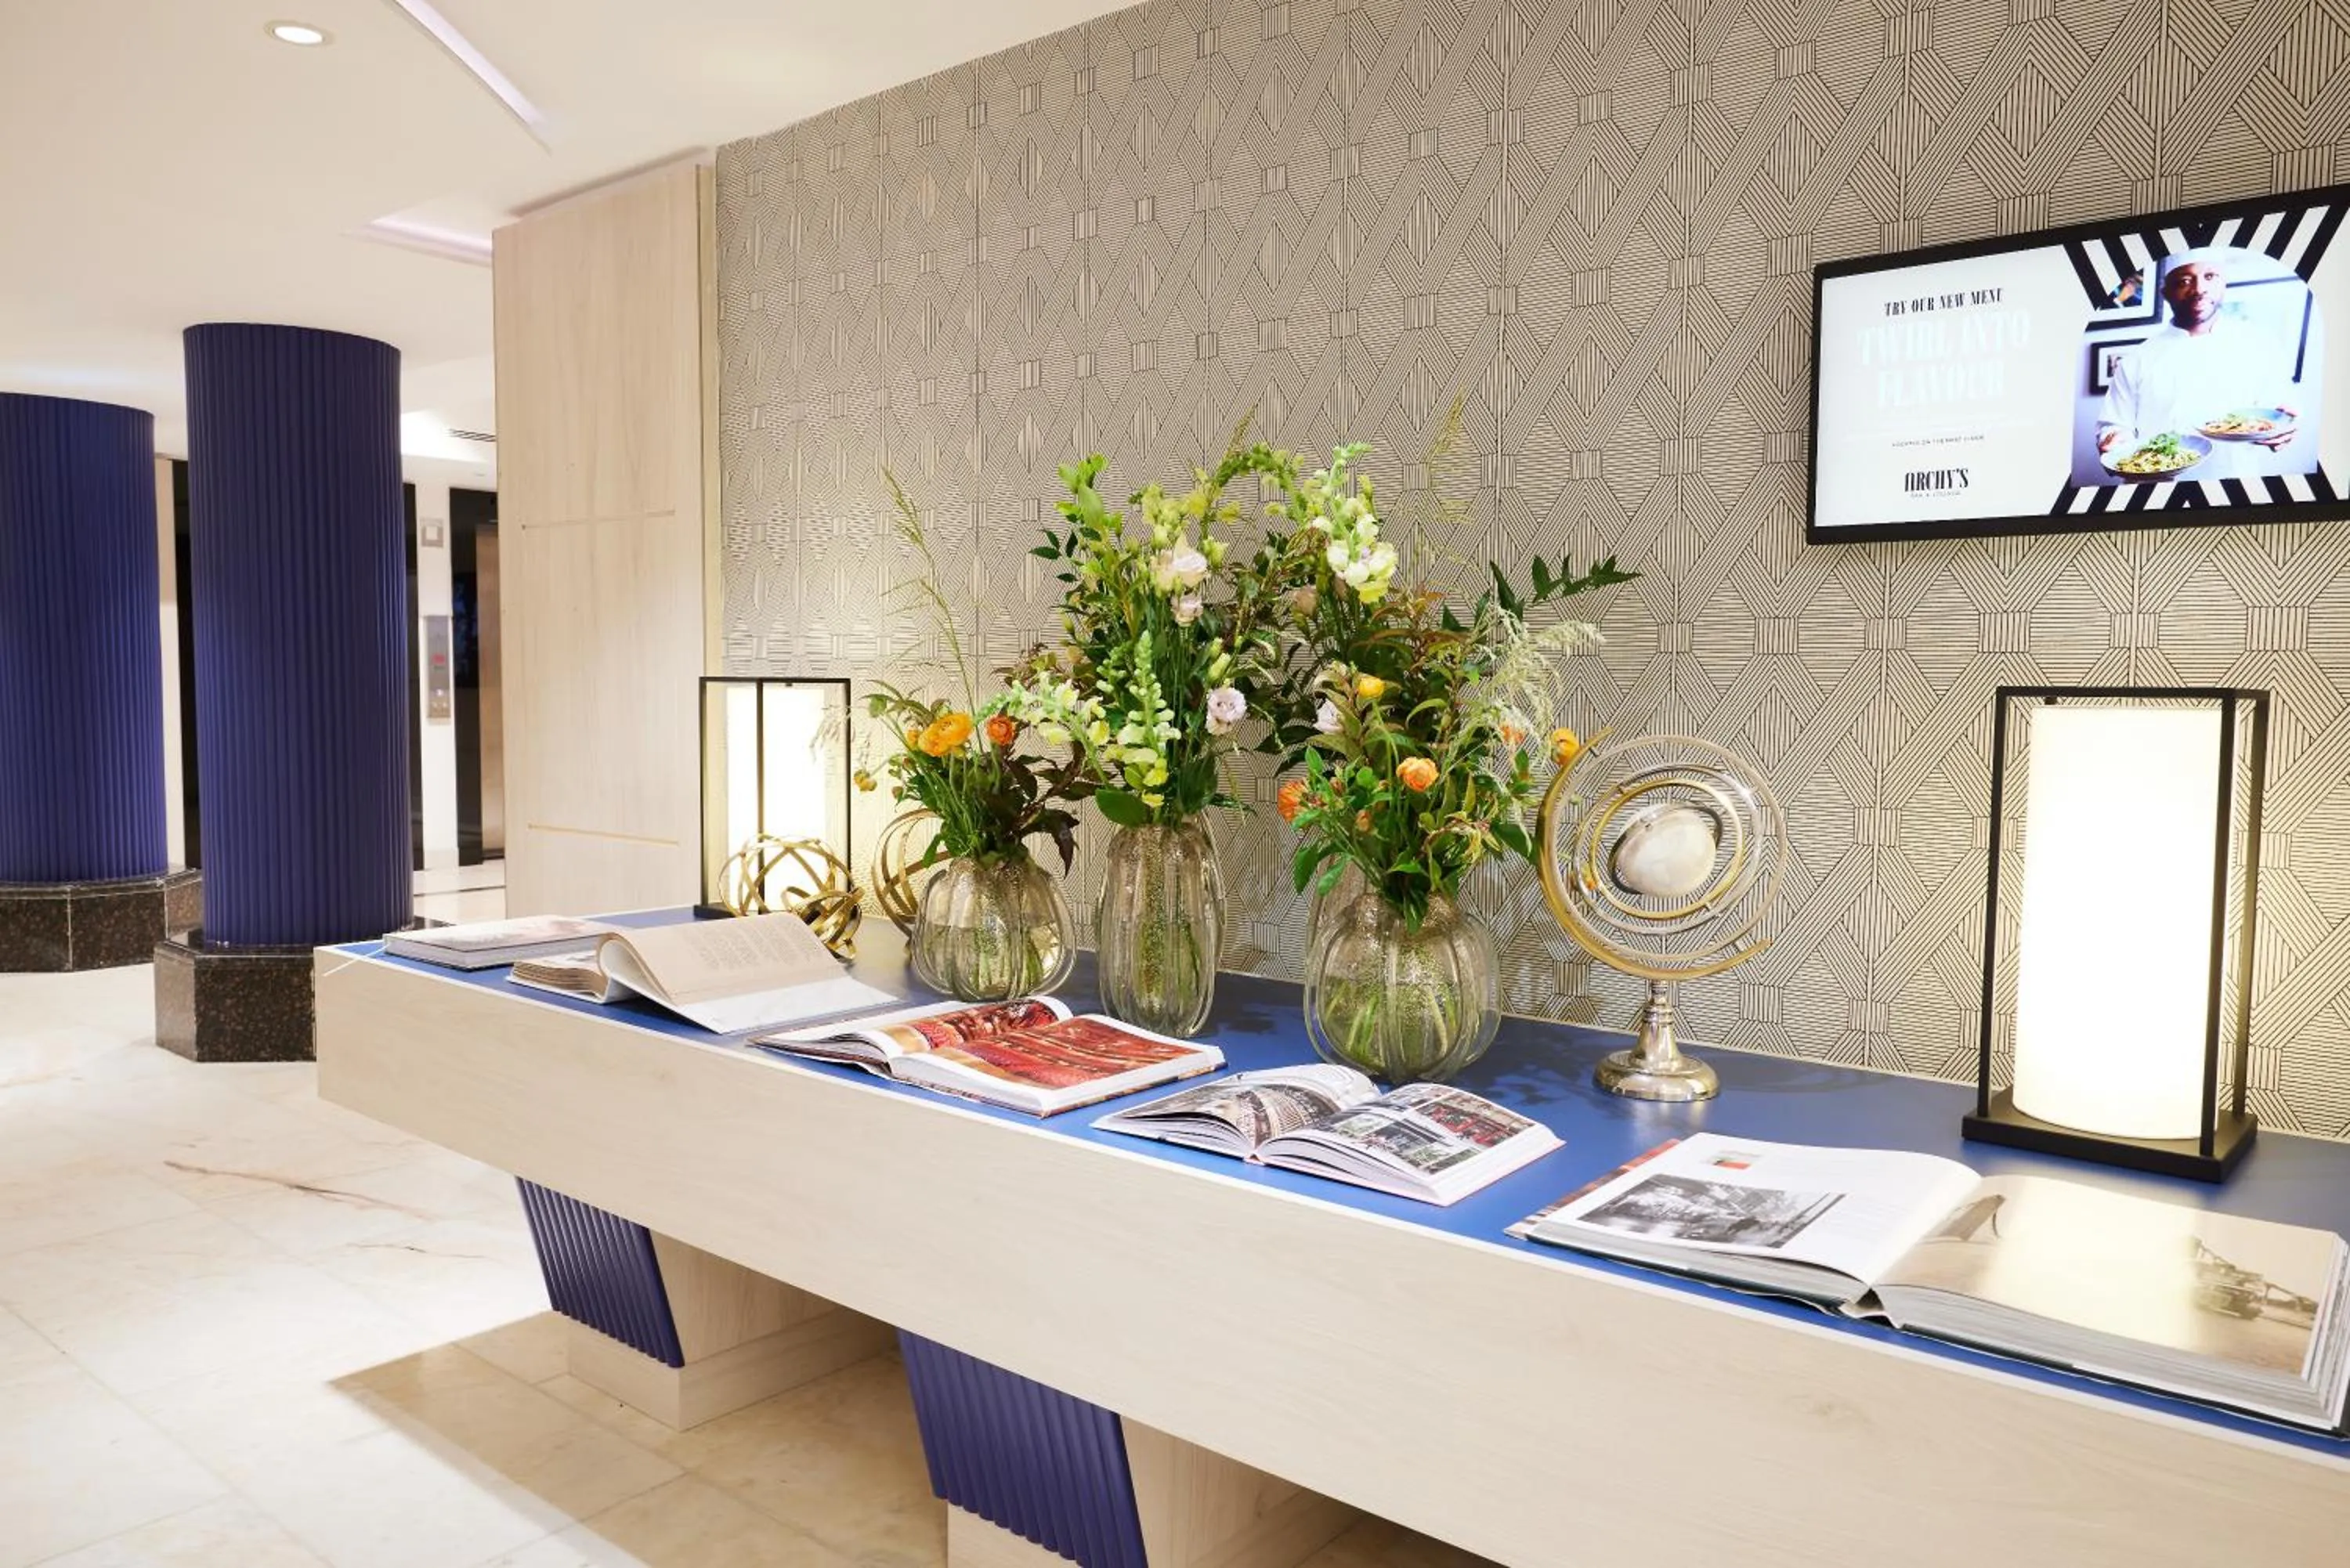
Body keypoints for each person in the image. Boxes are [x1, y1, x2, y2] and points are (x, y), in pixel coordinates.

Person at [2096, 249, 2303, 481]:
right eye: (2184, 281)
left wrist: (2283, 426)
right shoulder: (2137, 358)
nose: (2199, 289)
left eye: (2210, 276)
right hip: (2152, 492)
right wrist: (2114, 441)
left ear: (2223, 282)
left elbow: (2276, 410)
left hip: (2235, 488)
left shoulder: (2259, 345)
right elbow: (2114, 425)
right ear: (2165, 292)